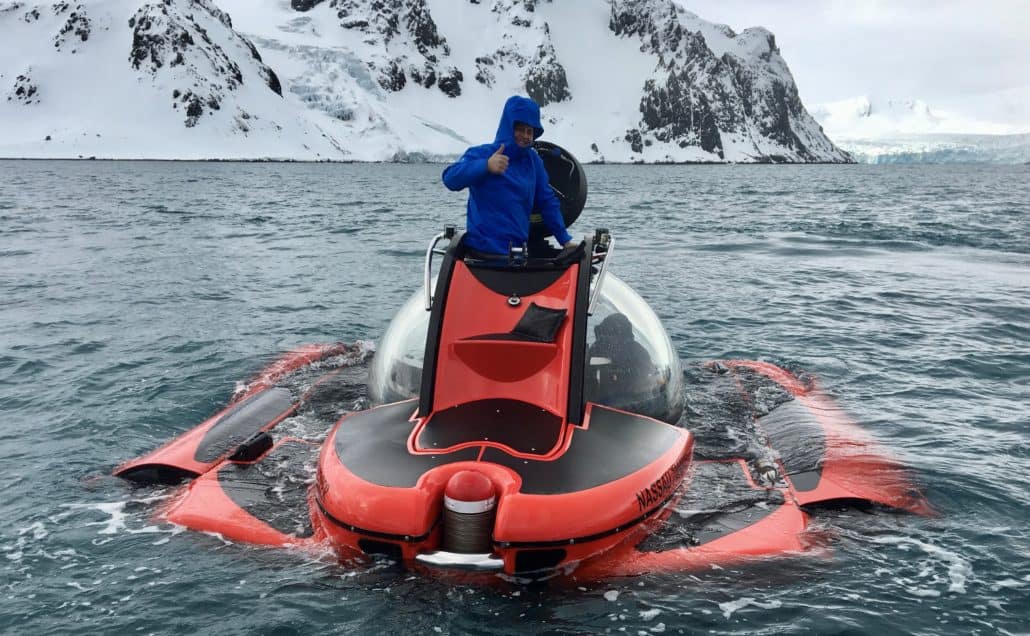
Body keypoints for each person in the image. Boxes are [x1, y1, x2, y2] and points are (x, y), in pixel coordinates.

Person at [442, 95, 576, 256]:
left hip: (516, 254)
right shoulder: (482, 154)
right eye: (520, 129)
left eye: (530, 131)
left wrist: (565, 240)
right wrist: (485, 166)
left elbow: (547, 201)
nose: (526, 136)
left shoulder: (534, 161)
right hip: (480, 254)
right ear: (508, 126)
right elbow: (450, 179)